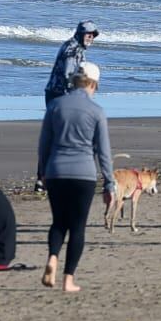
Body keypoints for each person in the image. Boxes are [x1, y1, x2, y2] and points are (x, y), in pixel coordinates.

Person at [37, 62, 113, 291]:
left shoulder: (55, 106)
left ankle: (52, 257)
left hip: (57, 171)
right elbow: (104, 152)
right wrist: (109, 182)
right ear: (93, 83)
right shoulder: (96, 111)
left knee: (59, 222)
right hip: (84, 174)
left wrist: (43, 172)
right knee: (78, 227)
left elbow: (44, 145)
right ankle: (68, 280)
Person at [43, 20, 98, 107]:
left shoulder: (74, 45)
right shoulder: (73, 49)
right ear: (80, 34)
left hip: (56, 93)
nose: (91, 37)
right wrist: (76, 96)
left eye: (93, 35)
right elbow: (68, 75)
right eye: (88, 34)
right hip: (60, 95)